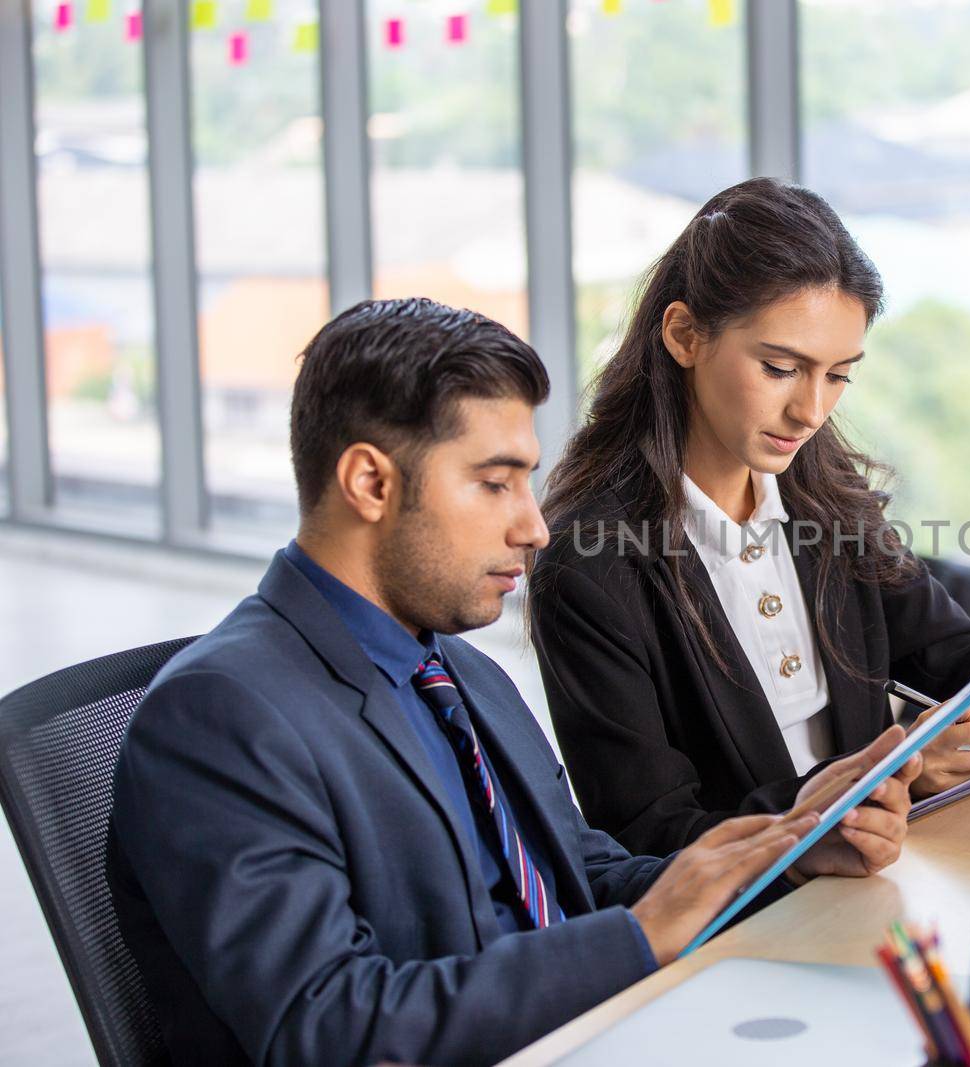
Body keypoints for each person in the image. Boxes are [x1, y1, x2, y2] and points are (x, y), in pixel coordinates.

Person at [106, 297, 918, 1067]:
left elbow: (579, 874)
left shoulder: (460, 671)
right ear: (370, 483)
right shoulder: (221, 715)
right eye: (495, 483)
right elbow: (329, 1025)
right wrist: (639, 940)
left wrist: (783, 855)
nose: (533, 527)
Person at [528, 177, 970, 861]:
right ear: (683, 334)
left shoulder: (818, 489)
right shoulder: (589, 561)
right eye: (779, 367)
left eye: (839, 374)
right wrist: (884, 783)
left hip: (875, 885)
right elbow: (648, 834)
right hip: (750, 930)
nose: (812, 411)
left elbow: (949, 649)